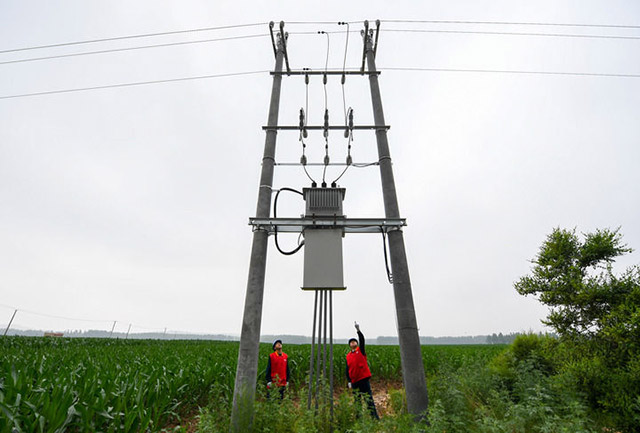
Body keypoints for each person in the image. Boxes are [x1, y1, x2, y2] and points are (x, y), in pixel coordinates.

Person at [346, 322, 379, 419]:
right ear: (349, 345)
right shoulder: (348, 356)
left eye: (354, 342)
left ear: (356, 344)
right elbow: (348, 369)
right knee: (357, 401)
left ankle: (374, 418)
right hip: (354, 381)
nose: (353, 343)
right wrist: (349, 381)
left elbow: (362, 340)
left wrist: (358, 331)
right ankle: (359, 419)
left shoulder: (361, 351)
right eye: (351, 342)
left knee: (368, 399)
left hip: (363, 379)